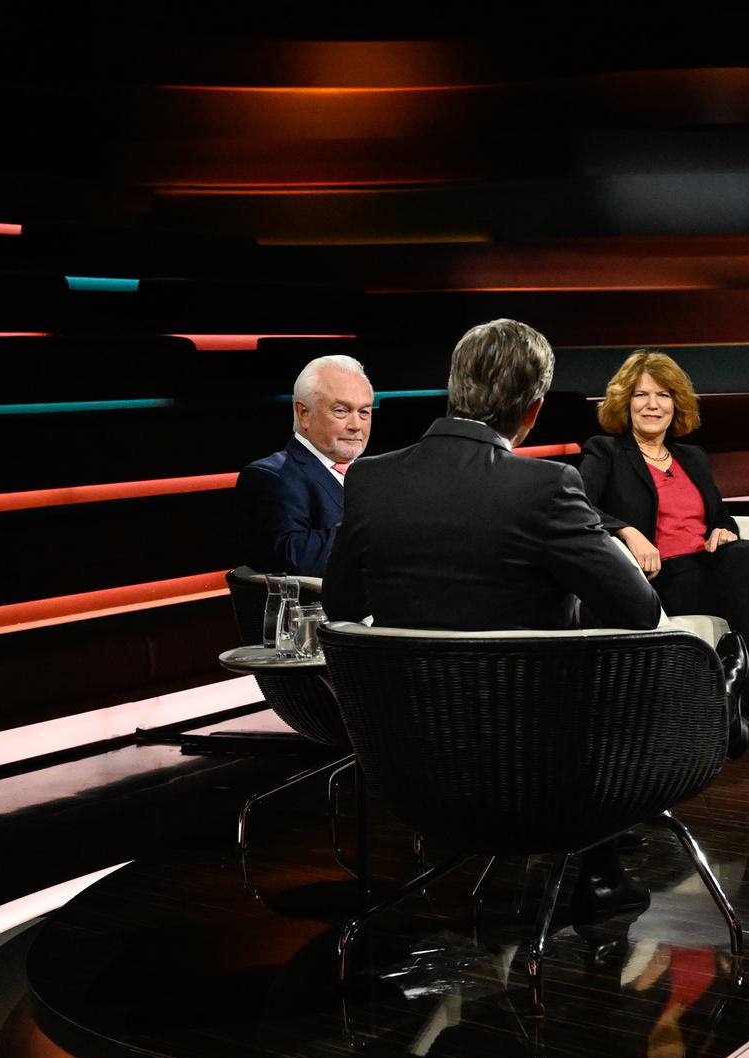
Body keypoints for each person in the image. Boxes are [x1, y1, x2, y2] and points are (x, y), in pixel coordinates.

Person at [323, 319, 664, 922]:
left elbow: (341, 606)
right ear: (533, 410)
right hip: (529, 762)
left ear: (454, 386)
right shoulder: (547, 486)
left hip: (406, 758)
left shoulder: (370, 479)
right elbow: (639, 610)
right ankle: (601, 867)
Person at [577, 349, 749, 763]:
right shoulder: (607, 452)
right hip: (658, 579)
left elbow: (720, 517)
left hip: (708, 573)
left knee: (745, 554)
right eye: (641, 394)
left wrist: (724, 531)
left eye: (663, 395)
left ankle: (740, 691)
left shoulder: (692, 457)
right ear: (624, 402)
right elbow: (577, 506)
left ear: (677, 404)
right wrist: (627, 531)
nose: (652, 404)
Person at [236, 354, 373, 576]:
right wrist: (378, 528)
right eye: (341, 410)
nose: (356, 425)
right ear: (304, 413)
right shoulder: (270, 477)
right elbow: (294, 557)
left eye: (364, 412)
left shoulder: (377, 472)